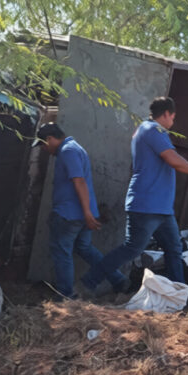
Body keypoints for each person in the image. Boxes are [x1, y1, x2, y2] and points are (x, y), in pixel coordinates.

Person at [81, 96, 188, 292]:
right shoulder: (152, 130)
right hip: (147, 204)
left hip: (161, 207)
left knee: (174, 249)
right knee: (133, 248)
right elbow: (172, 158)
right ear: (166, 114)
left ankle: (179, 294)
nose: (173, 122)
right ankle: (88, 283)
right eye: (173, 117)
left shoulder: (149, 131)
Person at [37, 122, 126, 299]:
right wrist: (88, 212)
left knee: (62, 252)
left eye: (43, 144)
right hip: (82, 214)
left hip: (70, 214)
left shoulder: (67, 151)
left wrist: (86, 212)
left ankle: (66, 295)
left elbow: (79, 181)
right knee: (83, 248)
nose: (44, 149)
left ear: (50, 139)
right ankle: (118, 279)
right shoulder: (75, 148)